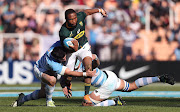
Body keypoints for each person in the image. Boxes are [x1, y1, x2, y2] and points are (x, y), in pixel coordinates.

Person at [11, 40, 96, 107]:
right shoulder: (52, 63)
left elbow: (68, 40)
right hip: (40, 70)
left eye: (64, 56)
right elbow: (69, 72)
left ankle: (22, 99)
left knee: (42, 93)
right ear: (56, 58)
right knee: (52, 80)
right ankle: (49, 102)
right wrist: (86, 74)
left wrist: (84, 46)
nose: (65, 58)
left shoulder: (58, 45)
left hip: (49, 70)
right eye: (62, 58)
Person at [73, 55, 175, 106]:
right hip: (109, 75)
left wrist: (92, 62)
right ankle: (158, 78)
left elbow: (95, 58)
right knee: (131, 86)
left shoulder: (78, 64)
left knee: (86, 104)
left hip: (107, 84)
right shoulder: (81, 59)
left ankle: (114, 102)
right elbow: (95, 57)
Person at [59, 8, 107, 95]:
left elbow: (87, 12)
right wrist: (74, 48)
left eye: (75, 18)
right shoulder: (63, 32)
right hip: (71, 51)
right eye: (71, 19)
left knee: (88, 68)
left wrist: (100, 10)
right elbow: (65, 48)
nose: (74, 21)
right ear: (66, 19)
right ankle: (65, 82)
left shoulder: (80, 17)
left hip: (83, 46)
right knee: (68, 77)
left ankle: (86, 95)